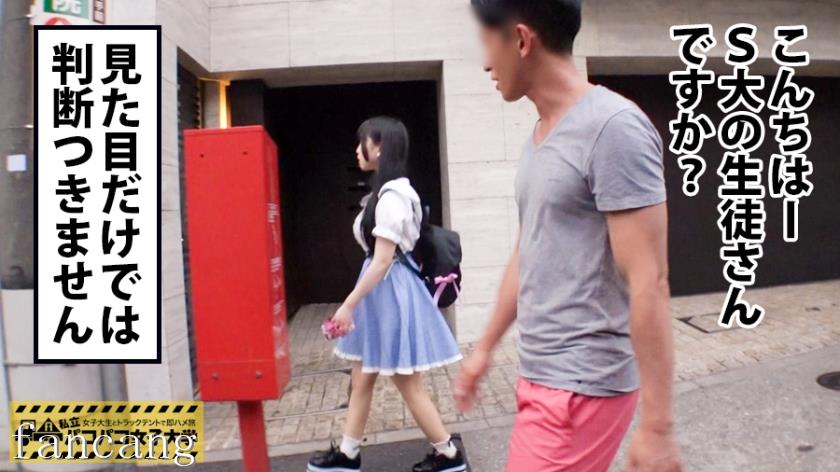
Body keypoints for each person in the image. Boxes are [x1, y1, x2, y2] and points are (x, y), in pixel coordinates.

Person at [454, 1, 684, 471]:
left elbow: (649, 280)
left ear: (521, 40)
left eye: (488, 42)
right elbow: (528, 252)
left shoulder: (613, 128)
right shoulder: (539, 137)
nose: (485, 63)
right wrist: (483, 350)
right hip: (542, 376)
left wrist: (658, 427)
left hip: (581, 385)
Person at [307, 117, 466, 472]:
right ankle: (348, 453)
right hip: (382, 291)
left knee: (406, 380)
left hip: (389, 290)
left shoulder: (393, 197)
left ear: (379, 147)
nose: (357, 149)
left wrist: (348, 306)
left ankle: (448, 454)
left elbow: (382, 261)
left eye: (361, 141)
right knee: (362, 375)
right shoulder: (384, 194)